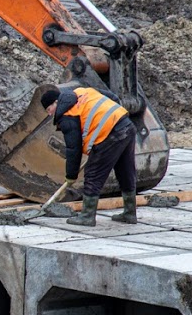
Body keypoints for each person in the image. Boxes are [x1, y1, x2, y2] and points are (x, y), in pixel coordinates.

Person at [42, 85, 139, 227]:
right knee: (125, 170)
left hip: (109, 136)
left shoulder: (67, 114)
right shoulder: (82, 91)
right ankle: (130, 213)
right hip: (126, 125)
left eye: (48, 109)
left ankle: (87, 216)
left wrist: (71, 175)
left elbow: (73, 148)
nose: (50, 114)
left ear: (56, 102)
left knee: (93, 174)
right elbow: (112, 97)